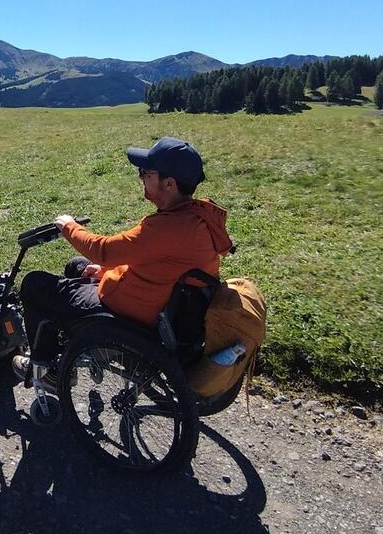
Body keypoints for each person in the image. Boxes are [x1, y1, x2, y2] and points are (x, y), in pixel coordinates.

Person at [12, 136, 233, 392]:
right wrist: (106, 272)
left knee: (35, 284)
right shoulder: (197, 218)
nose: (140, 177)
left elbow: (103, 251)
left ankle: (46, 370)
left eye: (145, 173)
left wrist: (68, 226)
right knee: (77, 266)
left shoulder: (166, 228)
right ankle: (75, 350)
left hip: (133, 313)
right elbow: (154, 265)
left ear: (169, 183)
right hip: (162, 305)